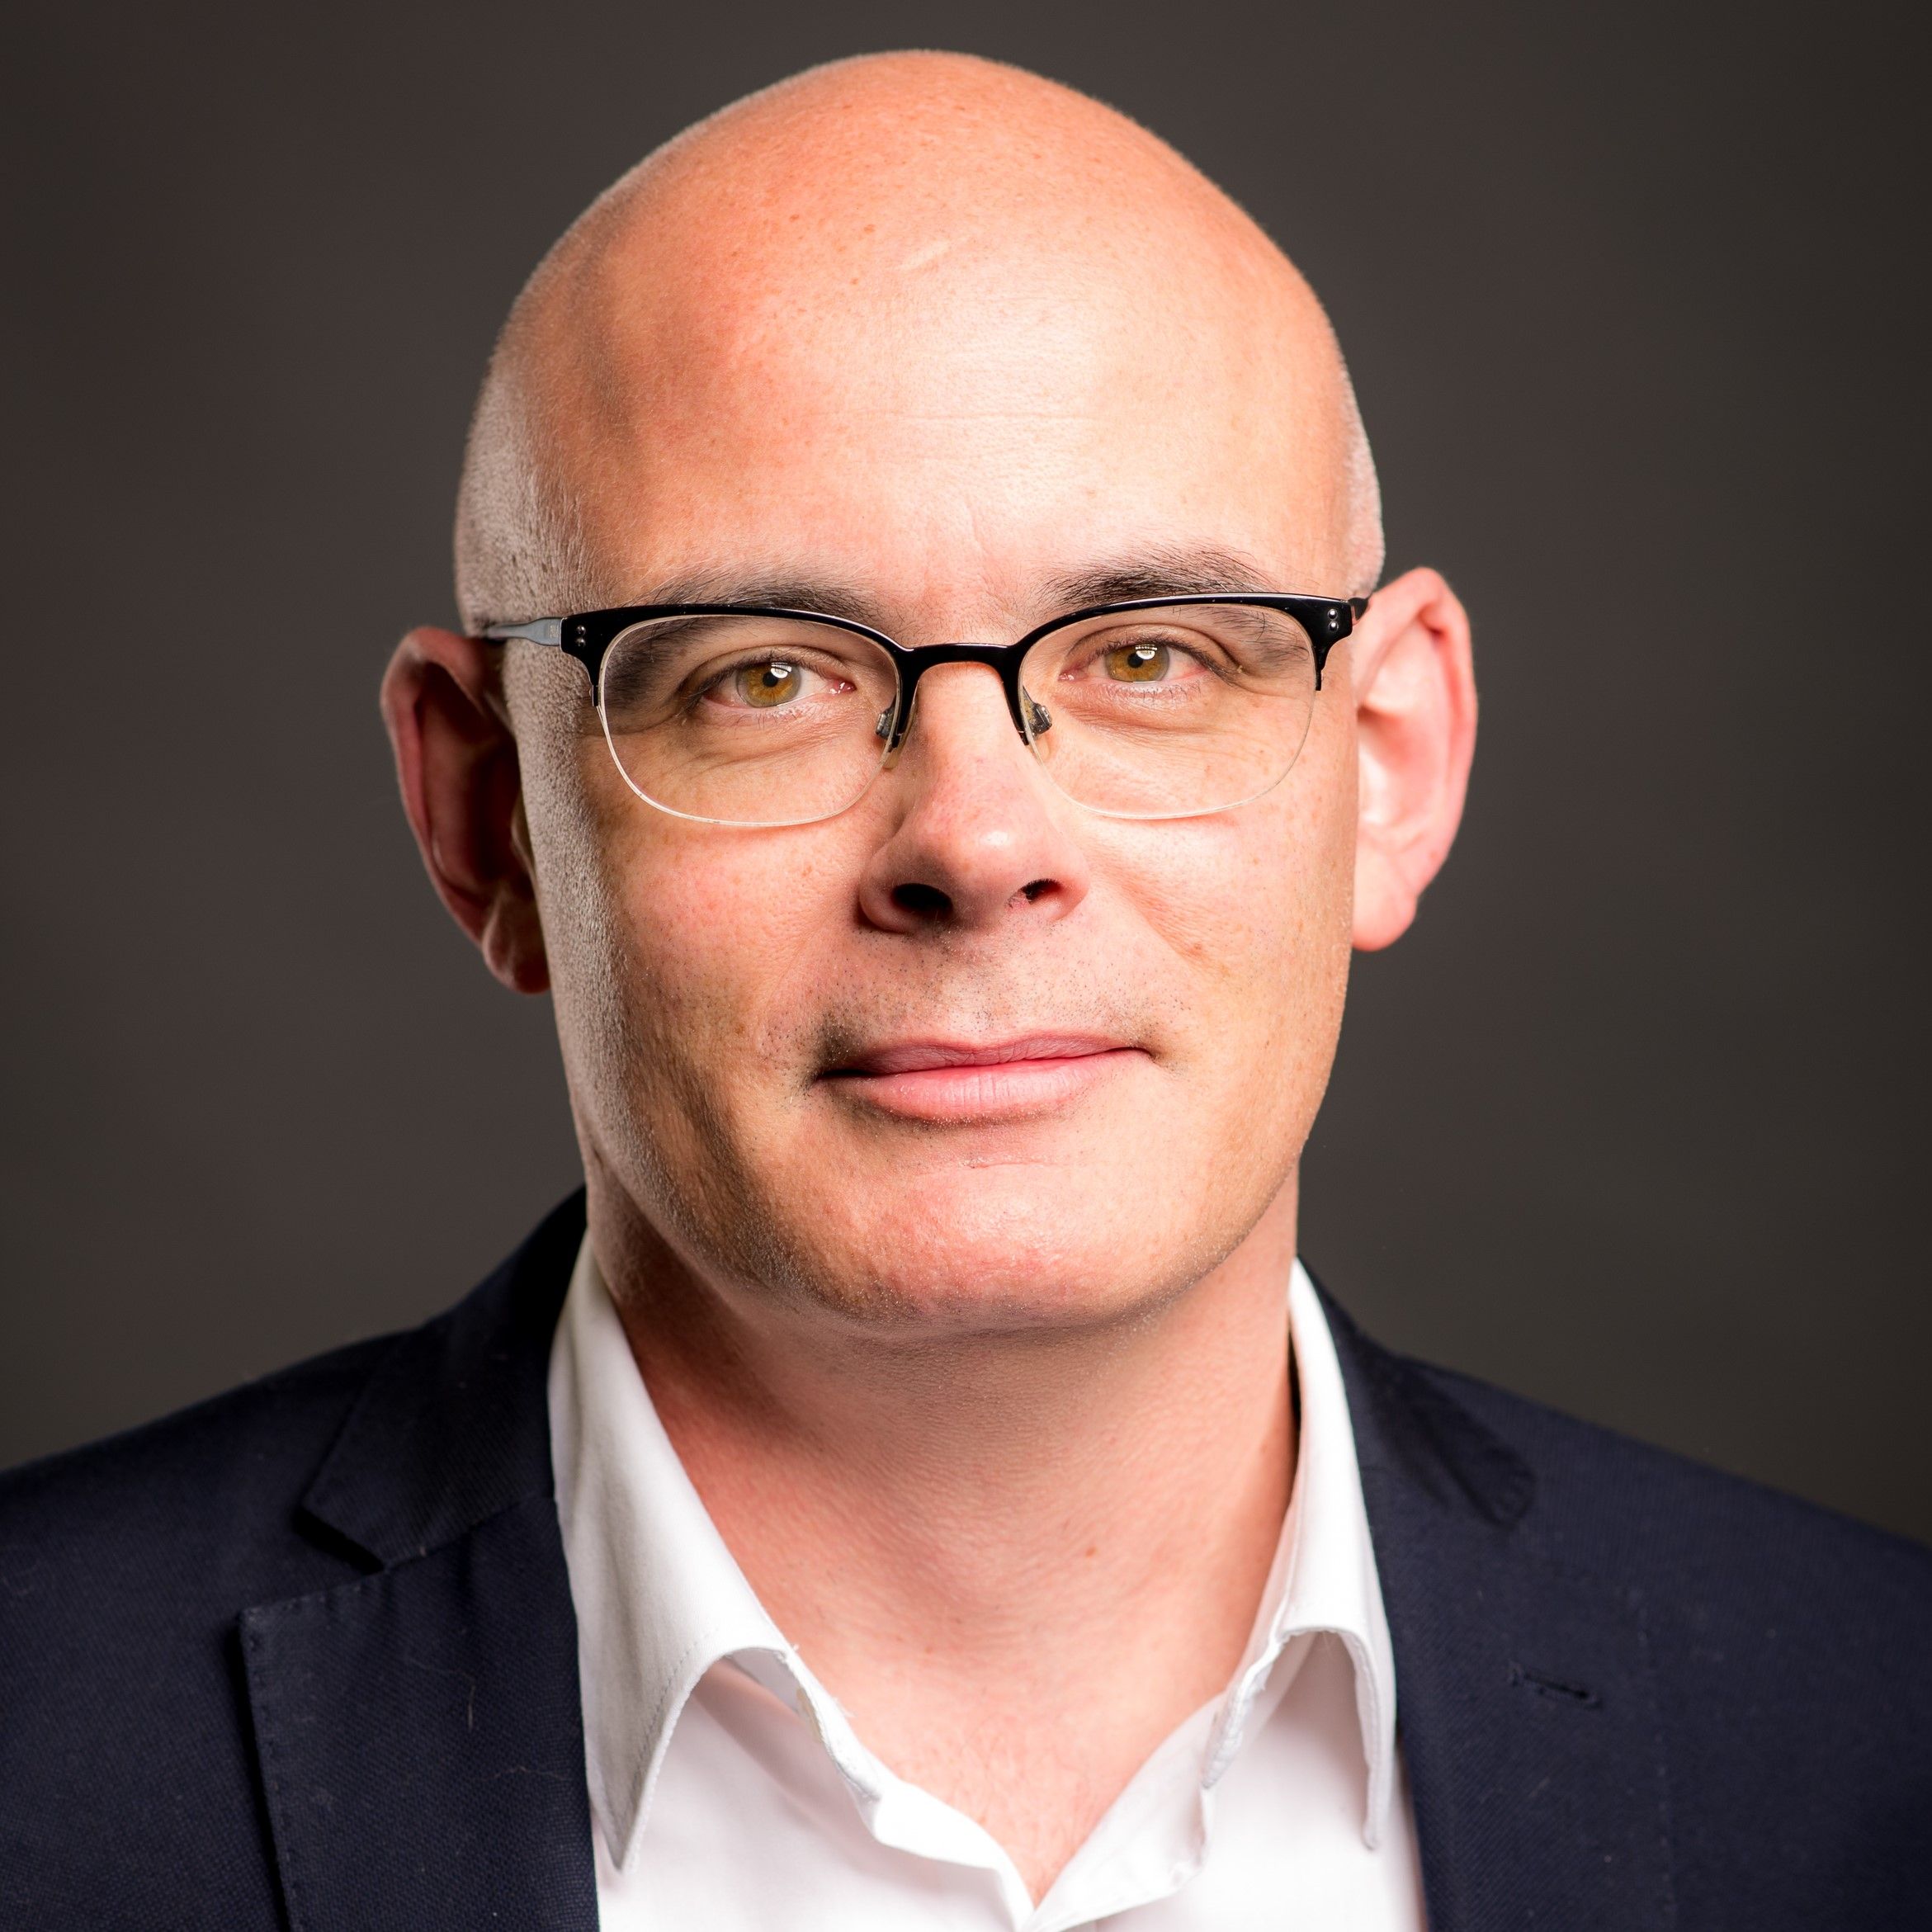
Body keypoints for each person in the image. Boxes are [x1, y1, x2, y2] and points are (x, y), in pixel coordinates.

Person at [2, 50, 1926, 1931]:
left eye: (1151, 655)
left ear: (1391, 765)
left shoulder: (1870, 1745)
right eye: (762, 674)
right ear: (485, 814)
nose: (977, 840)